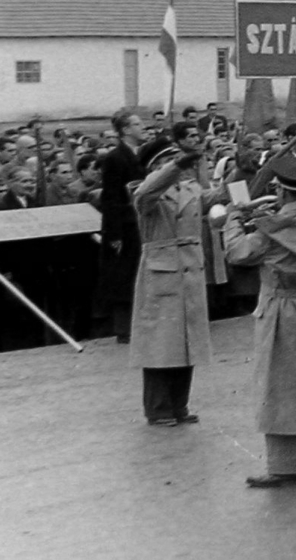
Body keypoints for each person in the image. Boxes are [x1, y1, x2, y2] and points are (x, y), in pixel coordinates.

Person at [223, 154, 296, 488]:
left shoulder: (272, 231)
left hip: (281, 309)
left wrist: (235, 217)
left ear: (283, 192)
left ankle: (284, 466)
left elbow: (237, 252)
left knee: (279, 387)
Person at [130, 127, 224, 426]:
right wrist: (178, 166)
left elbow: (215, 199)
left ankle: (179, 405)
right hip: (163, 269)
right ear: (157, 166)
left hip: (190, 268)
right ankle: (158, 409)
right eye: (170, 160)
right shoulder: (146, 194)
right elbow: (147, 191)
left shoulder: (190, 188)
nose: (178, 163)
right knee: (160, 346)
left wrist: (245, 173)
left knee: (187, 343)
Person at [97, 108, 148, 342]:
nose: (143, 127)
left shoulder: (142, 154)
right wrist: (115, 233)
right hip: (124, 227)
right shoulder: (115, 158)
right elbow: (111, 198)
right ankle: (124, 329)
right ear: (125, 129)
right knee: (124, 276)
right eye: (137, 124)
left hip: (141, 223)